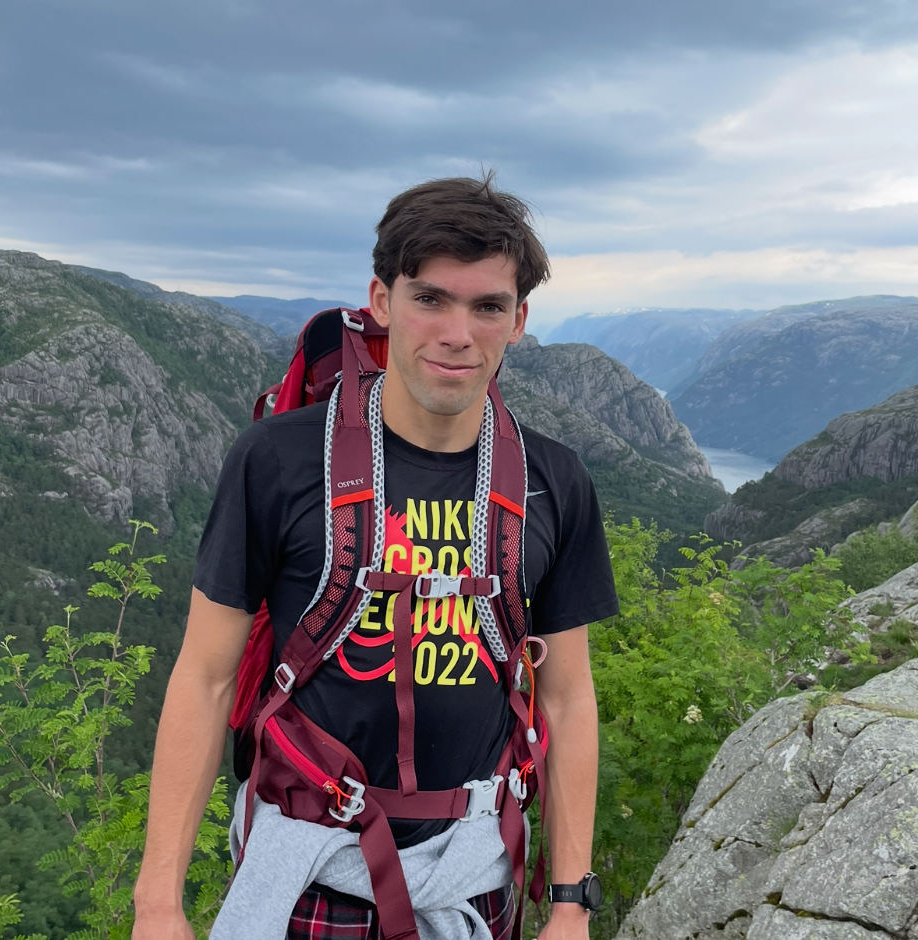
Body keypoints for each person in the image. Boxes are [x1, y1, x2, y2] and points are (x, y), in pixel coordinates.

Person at [132, 174, 619, 940]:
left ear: (519, 321)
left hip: (472, 875)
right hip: (307, 875)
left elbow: (565, 697)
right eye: (430, 298)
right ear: (383, 301)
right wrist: (157, 904)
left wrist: (569, 902)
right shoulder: (279, 461)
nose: (459, 332)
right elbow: (205, 675)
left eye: (487, 306)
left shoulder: (554, 482)